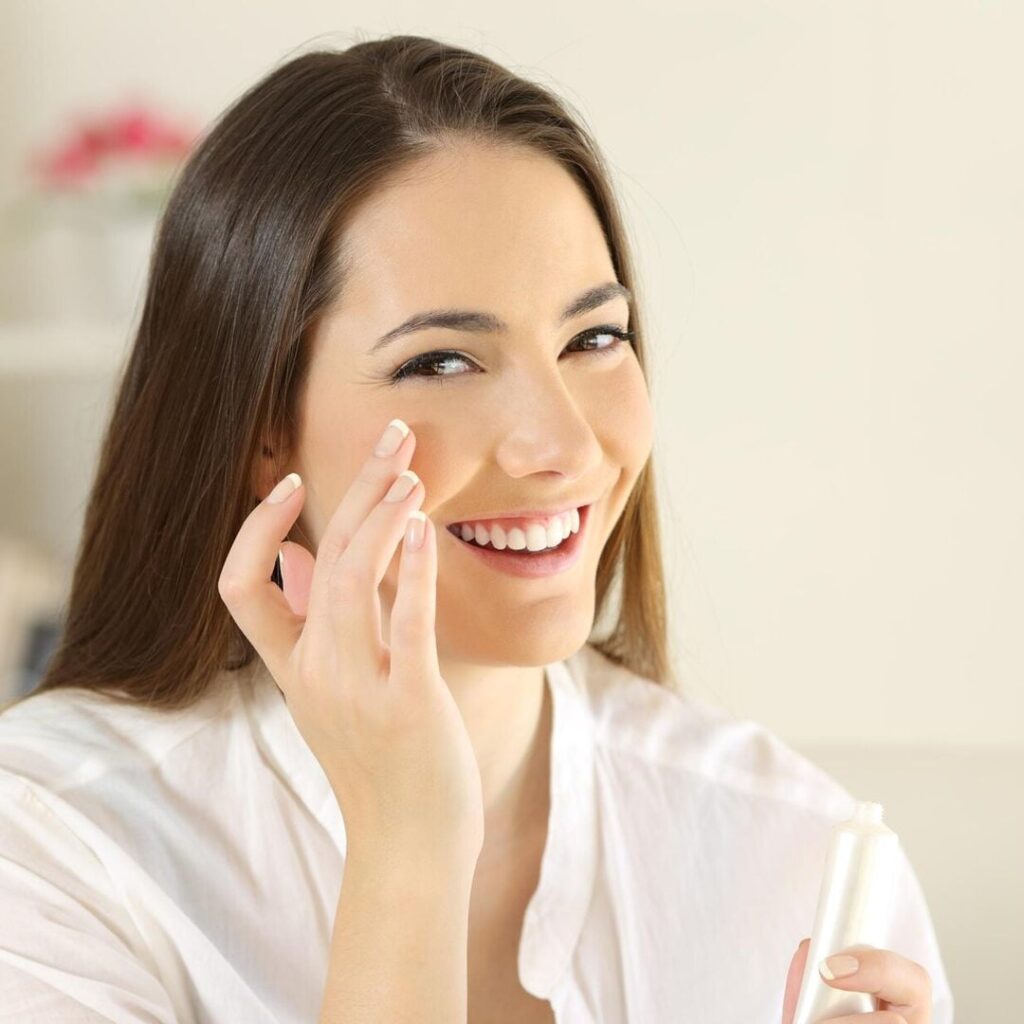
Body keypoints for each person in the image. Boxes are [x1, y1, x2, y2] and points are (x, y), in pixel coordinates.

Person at [0, 34, 953, 1024]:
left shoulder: (795, 852)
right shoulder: (51, 845)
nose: (563, 445)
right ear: (260, 428)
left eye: (594, 338)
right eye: (442, 363)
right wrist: (406, 846)